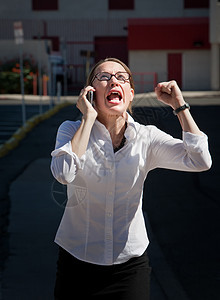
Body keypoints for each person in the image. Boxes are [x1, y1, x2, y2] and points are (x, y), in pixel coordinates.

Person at [50, 57, 212, 299]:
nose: (113, 80)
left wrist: (180, 106)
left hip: (129, 267)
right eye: (103, 77)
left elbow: (200, 161)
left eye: (121, 77)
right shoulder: (71, 130)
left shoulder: (147, 138)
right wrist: (88, 118)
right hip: (77, 262)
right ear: (91, 92)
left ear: (130, 93)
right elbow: (64, 173)